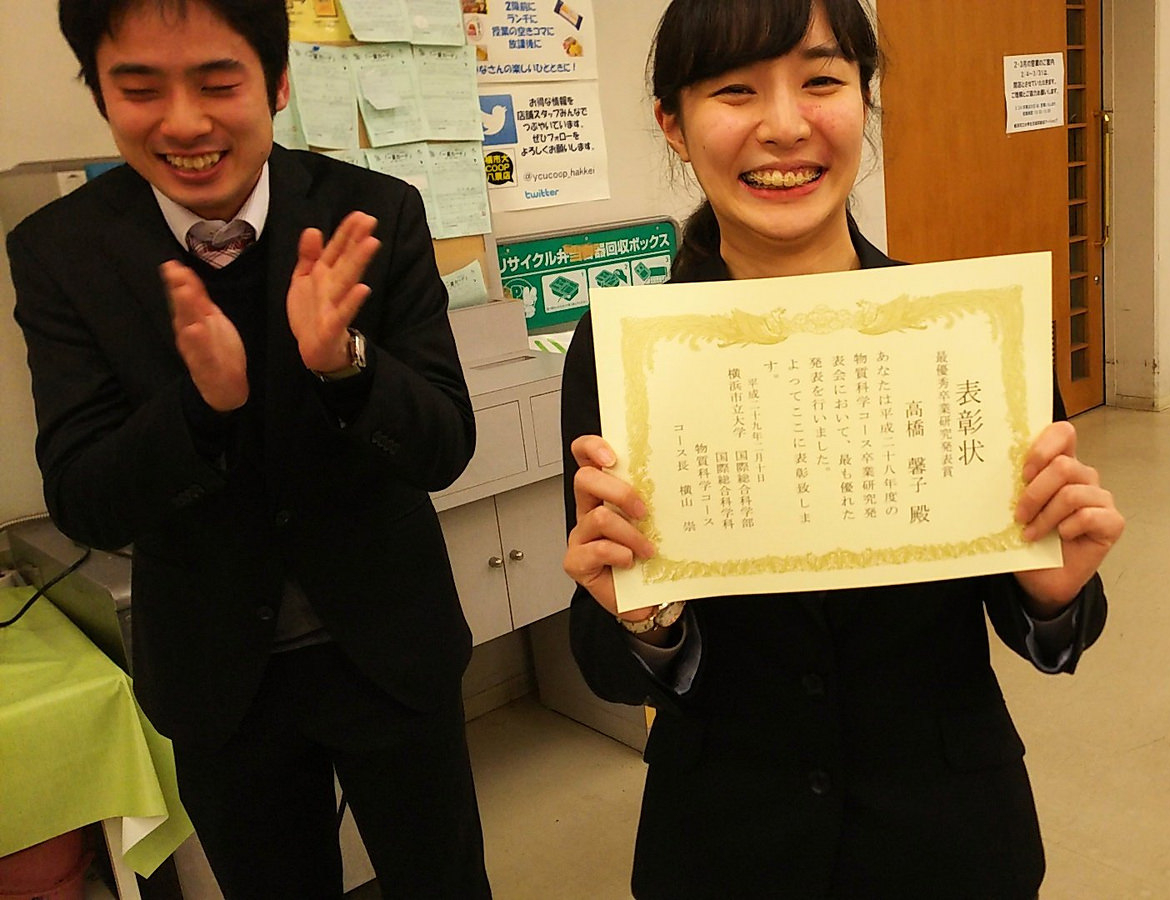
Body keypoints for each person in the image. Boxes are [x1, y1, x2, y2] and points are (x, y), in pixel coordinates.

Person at [560, 1, 1125, 897]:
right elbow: (606, 656)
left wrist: (1051, 598)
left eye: (821, 80)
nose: (785, 126)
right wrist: (644, 620)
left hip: (947, 838)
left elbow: (1053, 632)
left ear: (865, 99)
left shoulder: (969, 333)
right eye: (736, 90)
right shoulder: (623, 353)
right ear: (673, 123)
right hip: (726, 843)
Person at [8, 1, 491, 896]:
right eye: (140, 89)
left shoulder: (374, 211)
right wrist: (200, 410)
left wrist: (346, 364)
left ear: (276, 83)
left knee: (444, 882)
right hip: (216, 673)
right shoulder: (60, 252)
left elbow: (444, 446)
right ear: (101, 95)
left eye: (217, 81)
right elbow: (84, 500)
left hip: (390, 646)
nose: (183, 122)